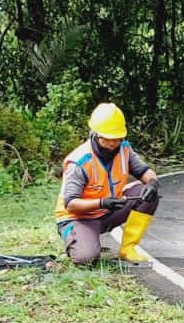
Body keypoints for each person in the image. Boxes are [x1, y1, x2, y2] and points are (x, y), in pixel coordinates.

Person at [54, 102, 161, 265]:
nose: (113, 143)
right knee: (86, 259)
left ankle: (128, 248)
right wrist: (101, 203)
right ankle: (79, 239)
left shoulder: (124, 149)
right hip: (78, 217)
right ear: (95, 134)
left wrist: (153, 183)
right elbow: (71, 204)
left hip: (108, 211)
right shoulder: (79, 162)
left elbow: (145, 172)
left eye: (117, 138)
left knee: (148, 194)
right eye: (108, 139)